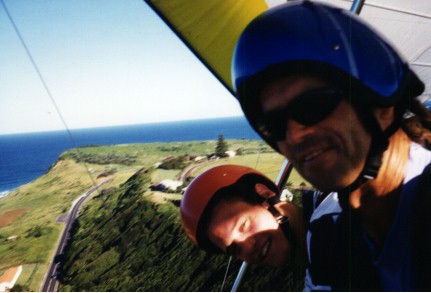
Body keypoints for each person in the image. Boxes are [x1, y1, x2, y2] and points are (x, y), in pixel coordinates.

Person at [230, 0, 431, 291]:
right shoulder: (332, 240)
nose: (295, 135)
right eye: (273, 126)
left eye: (313, 105)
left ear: (380, 101)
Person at [180, 164, 307, 268]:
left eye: (243, 225)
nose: (248, 248)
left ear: (265, 194)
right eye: (235, 249)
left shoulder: (326, 227)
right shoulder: (314, 258)